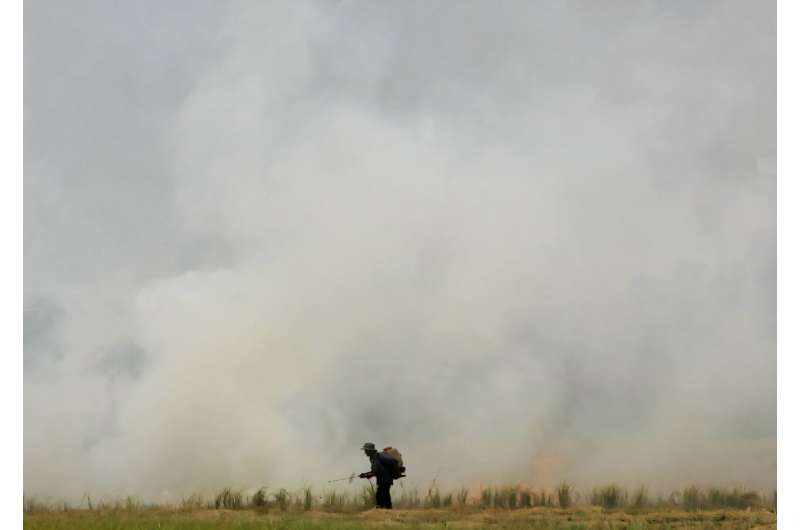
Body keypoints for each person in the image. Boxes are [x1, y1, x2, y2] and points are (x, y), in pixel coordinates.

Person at [358, 442, 396, 509]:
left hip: (384, 479)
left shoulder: (374, 457)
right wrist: (366, 474)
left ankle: (380, 508)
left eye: (366, 450)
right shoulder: (375, 456)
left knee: (380, 494)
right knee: (385, 494)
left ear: (370, 450)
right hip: (386, 478)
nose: (365, 452)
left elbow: (375, 471)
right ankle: (388, 509)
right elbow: (376, 471)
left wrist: (365, 475)